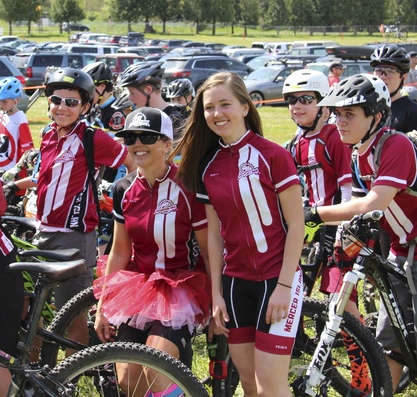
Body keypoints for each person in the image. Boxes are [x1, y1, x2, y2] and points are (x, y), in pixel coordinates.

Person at [305, 73, 417, 397]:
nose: (340, 121)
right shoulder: (359, 152)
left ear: (375, 117)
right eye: (337, 114)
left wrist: (316, 214)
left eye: (350, 114)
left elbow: (372, 202)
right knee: (391, 344)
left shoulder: (395, 145)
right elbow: (368, 213)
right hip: (400, 249)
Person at [174, 71, 304, 397]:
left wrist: (285, 287)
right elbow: (214, 235)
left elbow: (297, 225)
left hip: (278, 279)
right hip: (235, 286)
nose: (217, 114)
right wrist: (216, 294)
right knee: (249, 386)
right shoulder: (207, 165)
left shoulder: (274, 155)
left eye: (225, 104)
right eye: (209, 107)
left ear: (245, 107)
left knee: (271, 387)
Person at [93, 107, 210, 395]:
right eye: (130, 138)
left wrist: (219, 301)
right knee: (127, 381)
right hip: (138, 287)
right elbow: (119, 252)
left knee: (156, 372)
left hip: (182, 289)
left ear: (167, 144)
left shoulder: (189, 185)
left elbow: (210, 251)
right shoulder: (124, 188)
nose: (137, 144)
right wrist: (103, 307)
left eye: (147, 136)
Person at [283, 70, 372, 395]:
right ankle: (302, 355)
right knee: (296, 291)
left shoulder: (334, 135)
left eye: (305, 99)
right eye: (291, 100)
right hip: (310, 225)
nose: (297, 106)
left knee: (341, 301)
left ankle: (363, 373)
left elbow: (348, 186)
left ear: (323, 105)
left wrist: (342, 229)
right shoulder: (297, 141)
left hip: (338, 223)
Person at [32, 67, 129, 347]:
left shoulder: (93, 138)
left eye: (71, 102)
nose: (62, 107)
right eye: (56, 100)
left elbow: (131, 163)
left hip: (74, 236)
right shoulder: (47, 135)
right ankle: (38, 374)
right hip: (42, 231)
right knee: (37, 310)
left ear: (85, 106)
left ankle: (74, 376)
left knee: (72, 313)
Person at [370, 45, 417, 134]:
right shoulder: (367, 108)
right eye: (378, 70)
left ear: (403, 77)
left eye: (390, 71)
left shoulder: (414, 112)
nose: (383, 76)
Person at [116, 62, 185, 138]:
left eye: (132, 93)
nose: (129, 98)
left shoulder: (174, 120)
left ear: (148, 90)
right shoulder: (136, 118)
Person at [83, 61, 126, 132]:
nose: (86, 95)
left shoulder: (116, 112)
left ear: (102, 86)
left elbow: (115, 142)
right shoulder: (93, 108)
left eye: (90, 89)